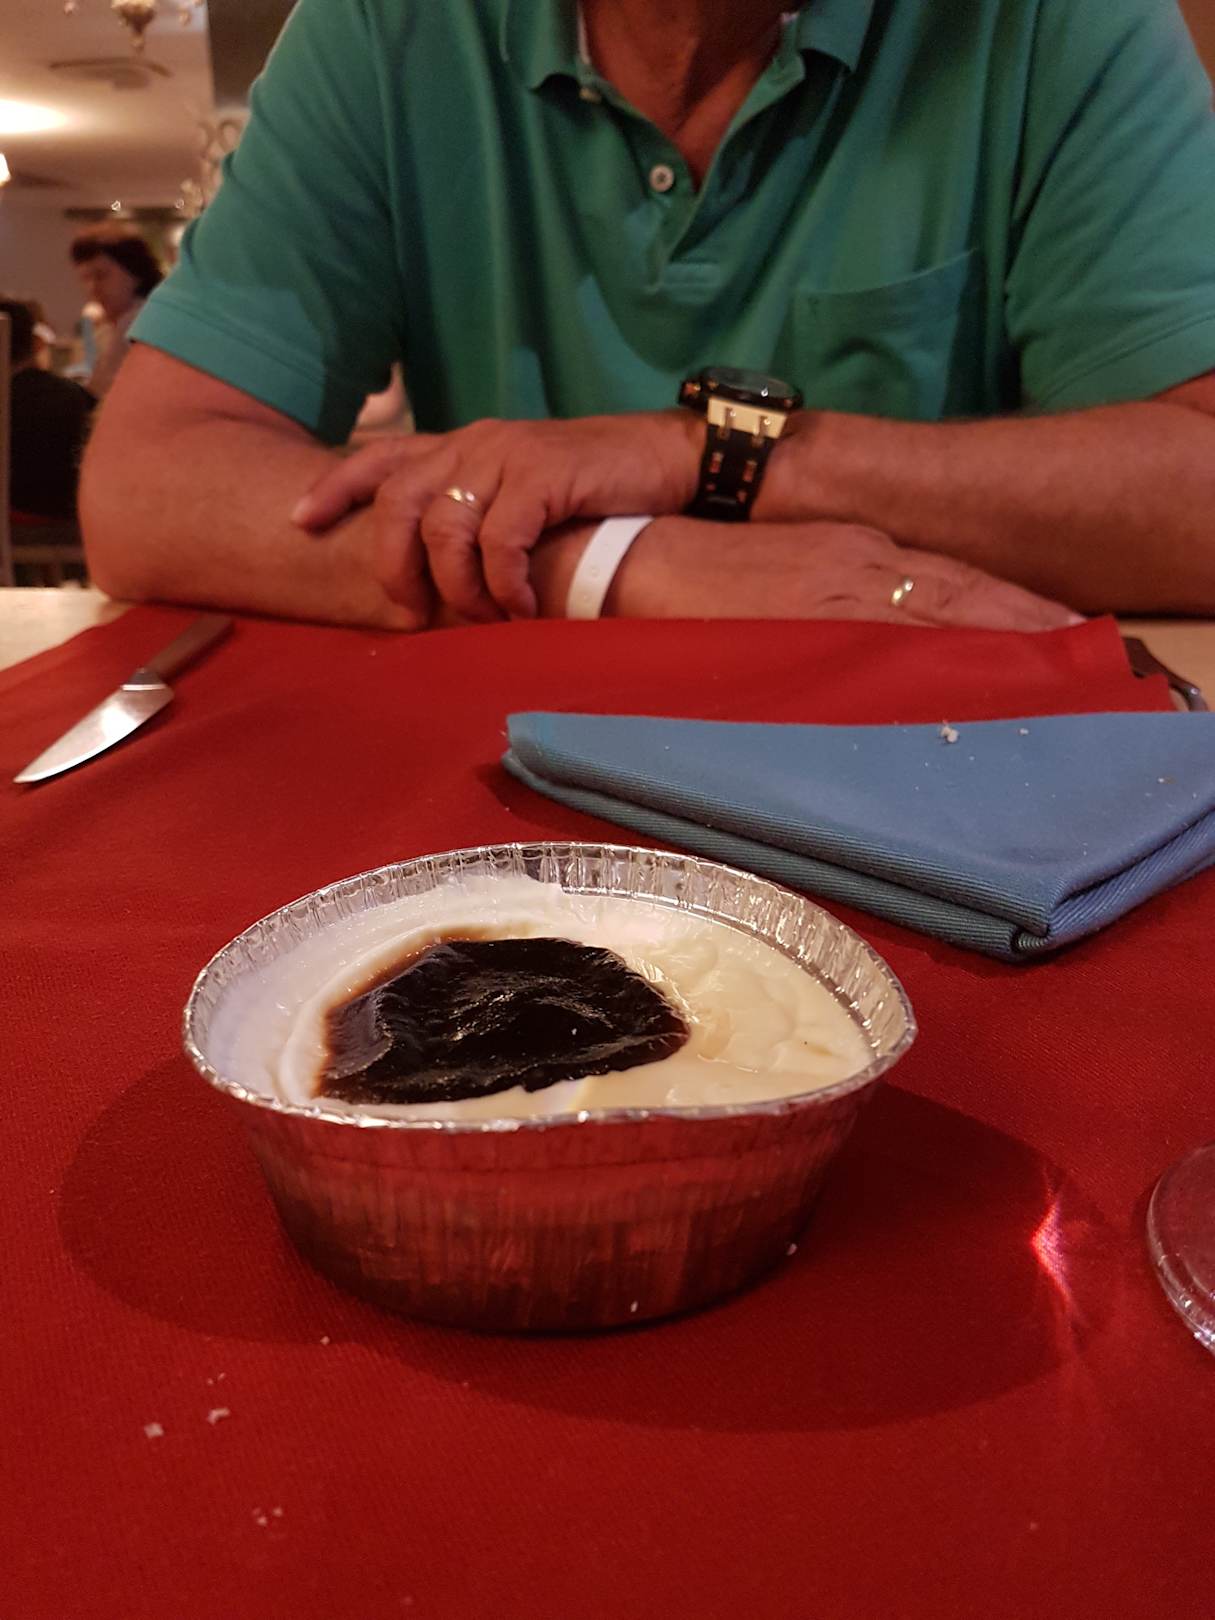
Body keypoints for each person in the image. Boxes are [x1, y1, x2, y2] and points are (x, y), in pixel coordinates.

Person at [81, 0, 1215, 633]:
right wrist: (616, 563)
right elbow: (144, 493)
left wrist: (701, 456)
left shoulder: (1057, 24)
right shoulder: (388, 29)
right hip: (509, 772)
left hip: (947, 762)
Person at [2, 296, 95, 522]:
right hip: (71, 522)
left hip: (13, 523)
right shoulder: (73, 394)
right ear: (35, 342)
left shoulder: (8, 399)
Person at [70, 225, 163, 399]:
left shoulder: (145, 324)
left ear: (135, 273)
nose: (92, 288)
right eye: (85, 278)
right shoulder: (102, 332)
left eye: (101, 275)